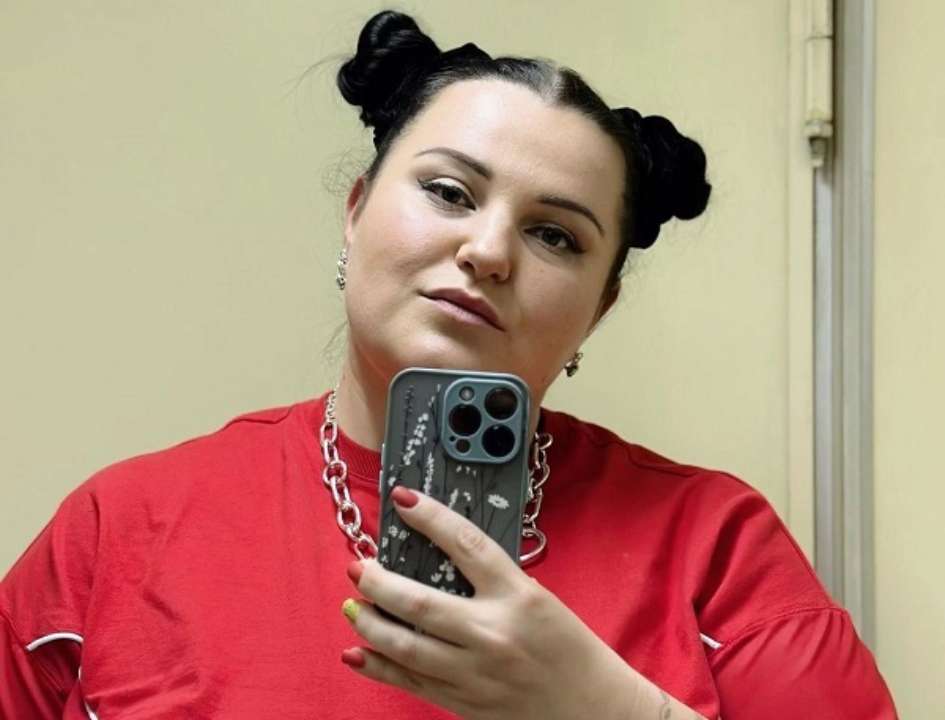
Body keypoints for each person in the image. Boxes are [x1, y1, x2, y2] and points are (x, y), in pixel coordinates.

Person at [0, 9, 898, 719]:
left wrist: (611, 710)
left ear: (599, 307)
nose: (489, 251)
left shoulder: (714, 546)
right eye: (448, 192)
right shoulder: (125, 527)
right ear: (355, 211)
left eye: (555, 235)